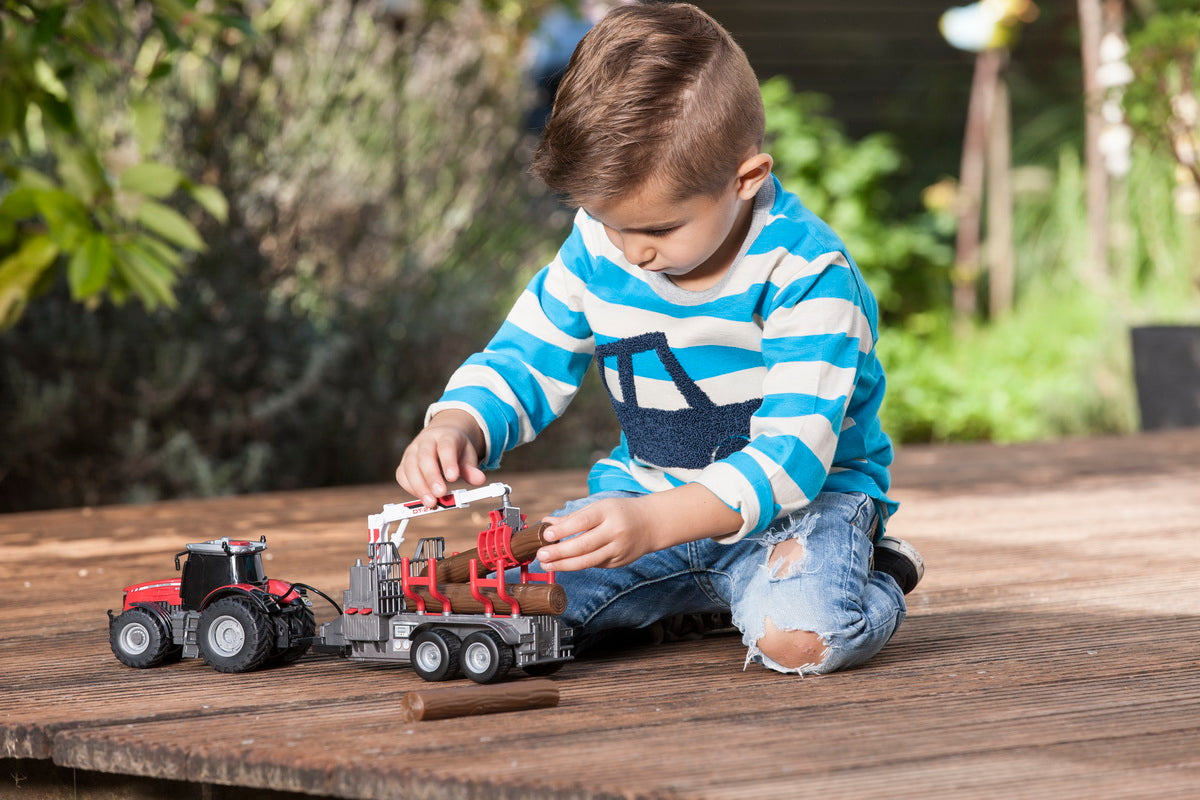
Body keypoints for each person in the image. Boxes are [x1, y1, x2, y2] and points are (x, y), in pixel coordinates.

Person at [396, 2, 924, 675]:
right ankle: (693, 596)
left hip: (797, 512)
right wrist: (457, 424)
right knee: (518, 613)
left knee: (801, 637)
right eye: (610, 223)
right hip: (645, 494)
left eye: (659, 231)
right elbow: (526, 354)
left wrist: (653, 526)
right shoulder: (600, 249)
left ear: (747, 178)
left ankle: (878, 576)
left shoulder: (805, 274)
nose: (632, 252)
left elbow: (793, 459)